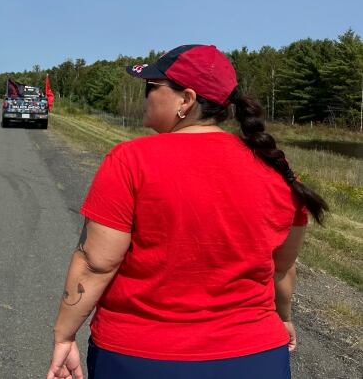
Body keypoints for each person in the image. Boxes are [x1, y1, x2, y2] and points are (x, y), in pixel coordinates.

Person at [47, 45, 327, 379]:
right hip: (255, 356)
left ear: (186, 100)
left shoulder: (131, 159)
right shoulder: (277, 170)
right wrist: (284, 319)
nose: (146, 96)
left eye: (152, 87)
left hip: (140, 357)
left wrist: (65, 334)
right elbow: (282, 269)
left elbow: (96, 262)